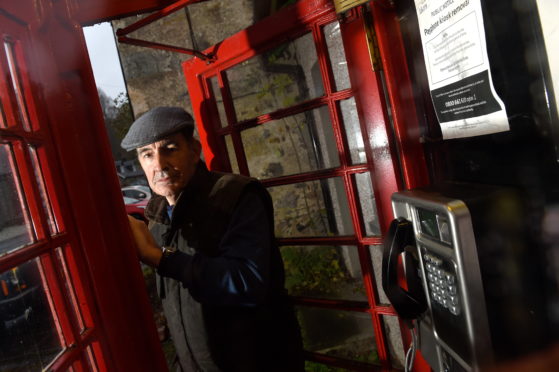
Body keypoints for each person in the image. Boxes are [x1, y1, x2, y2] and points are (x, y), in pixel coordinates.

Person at [121, 107, 304, 372]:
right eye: (147, 154)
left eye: (170, 149)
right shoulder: (158, 221)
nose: (159, 165)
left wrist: (159, 257)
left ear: (195, 151)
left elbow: (248, 282)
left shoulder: (236, 196)